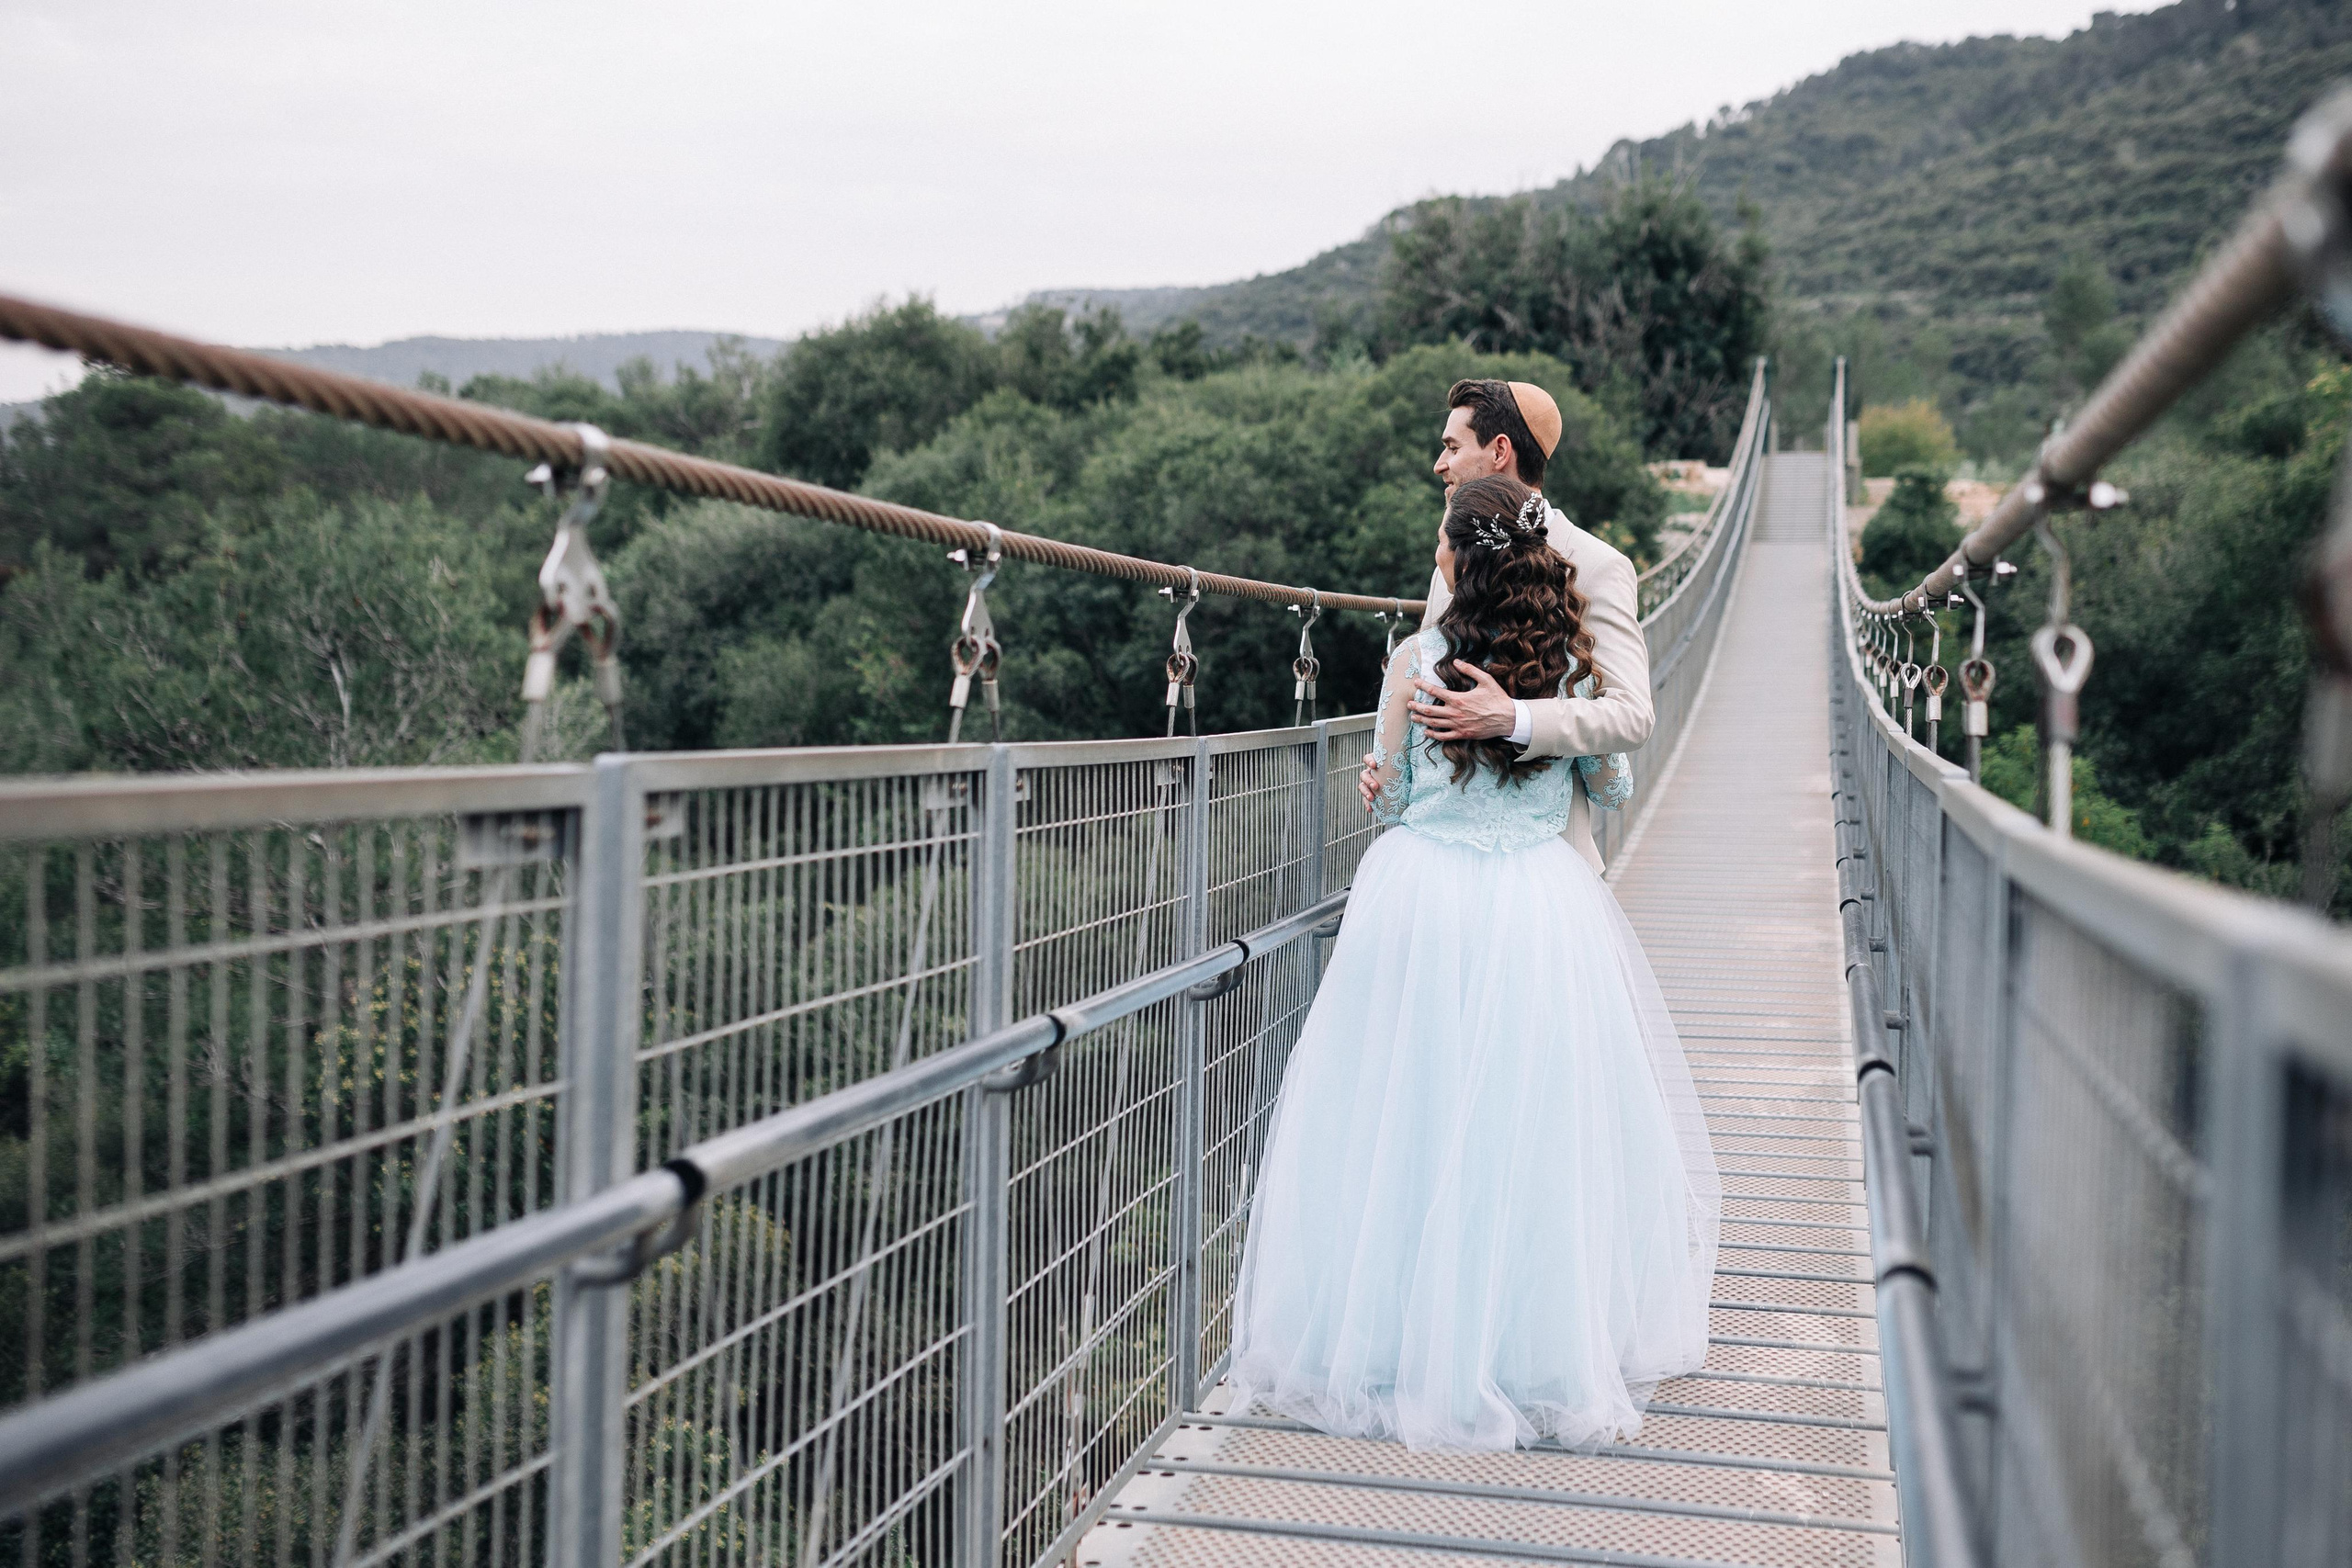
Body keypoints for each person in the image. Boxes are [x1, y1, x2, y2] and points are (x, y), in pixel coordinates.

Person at [1224, 471, 1718, 1452]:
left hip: (1419, 898)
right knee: (1528, 1123)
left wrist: (1383, 774)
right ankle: (1524, 1349)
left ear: (1455, 558)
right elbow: (1611, 782)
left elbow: (1399, 798)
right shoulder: (1567, 661)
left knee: (1404, 1111)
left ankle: (1396, 1342)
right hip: (1538, 903)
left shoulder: (1415, 656)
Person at [1358, 378, 1652, 874]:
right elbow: (1436, 675)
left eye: (1452, 446)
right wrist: (1396, 758)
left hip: (1547, 867)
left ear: (1499, 451)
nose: (1439, 464)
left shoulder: (1600, 566)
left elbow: (1631, 716)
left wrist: (1514, 718)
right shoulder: (1451, 556)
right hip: (1441, 859)